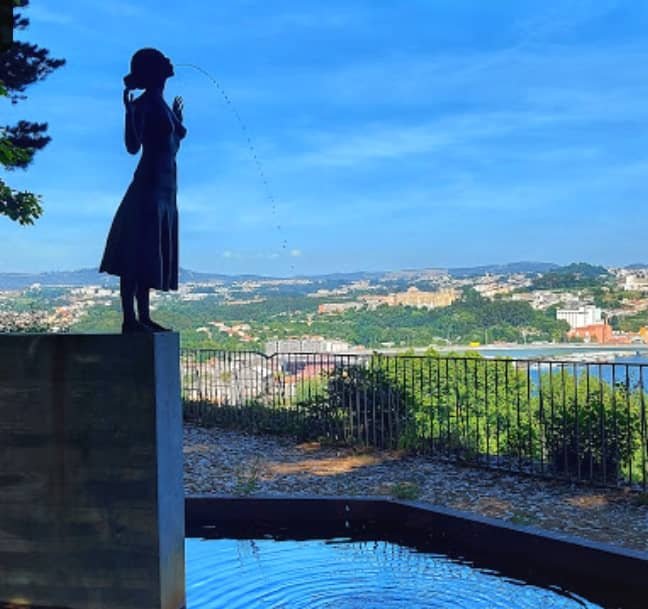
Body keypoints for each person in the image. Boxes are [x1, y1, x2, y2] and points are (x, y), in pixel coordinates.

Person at [99, 48, 187, 333]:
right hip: (148, 186)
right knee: (135, 252)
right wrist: (128, 113)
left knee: (150, 252)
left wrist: (176, 119)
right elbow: (132, 146)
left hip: (166, 190)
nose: (170, 62)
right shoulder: (144, 103)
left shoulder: (161, 104)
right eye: (163, 61)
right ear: (155, 70)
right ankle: (130, 318)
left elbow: (171, 144)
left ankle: (144, 316)